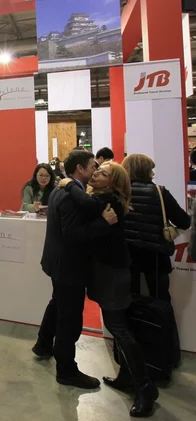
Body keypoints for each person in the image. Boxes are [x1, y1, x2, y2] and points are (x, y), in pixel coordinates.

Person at [61, 162, 158, 417]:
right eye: (97, 170)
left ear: (113, 183)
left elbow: (85, 205)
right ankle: (127, 376)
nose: (95, 174)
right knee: (117, 327)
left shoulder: (109, 202)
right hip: (107, 272)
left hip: (112, 273)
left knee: (120, 329)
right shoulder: (102, 199)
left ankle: (145, 388)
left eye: (103, 174)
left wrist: (70, 183)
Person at [34, 149, 118, 389]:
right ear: (80, 168)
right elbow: (73, 235)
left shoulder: (63, 188)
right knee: (69, 318)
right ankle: (67, 370)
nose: (95, 171)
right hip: (68, 266)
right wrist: (103, 223)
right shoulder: (71, 194)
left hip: (57, 262)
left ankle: (42, 344)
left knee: (58, 304)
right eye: (93, 166)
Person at [122, 154, 190, 301]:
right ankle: (162, 324)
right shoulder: (160, 192)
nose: (153, 174)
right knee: (160, 299)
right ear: (145, 171)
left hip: (127, 255)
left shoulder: (119, 194)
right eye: (151, 170)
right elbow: (184, 222)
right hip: (155, 255)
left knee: (131, 300)